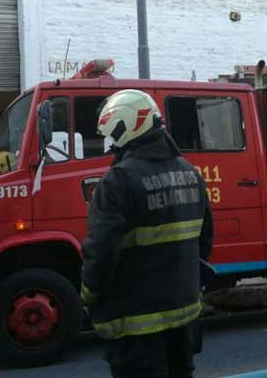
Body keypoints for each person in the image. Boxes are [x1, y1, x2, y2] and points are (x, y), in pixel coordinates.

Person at [81, 89, 214, 378]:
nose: (111, 144)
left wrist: (89, 294)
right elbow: (204, 244)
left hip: (137, 330)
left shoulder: (118, 181)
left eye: (112, 134)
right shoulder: (191, 174)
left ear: (127, 125)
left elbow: (101, 252)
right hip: (185, 321)